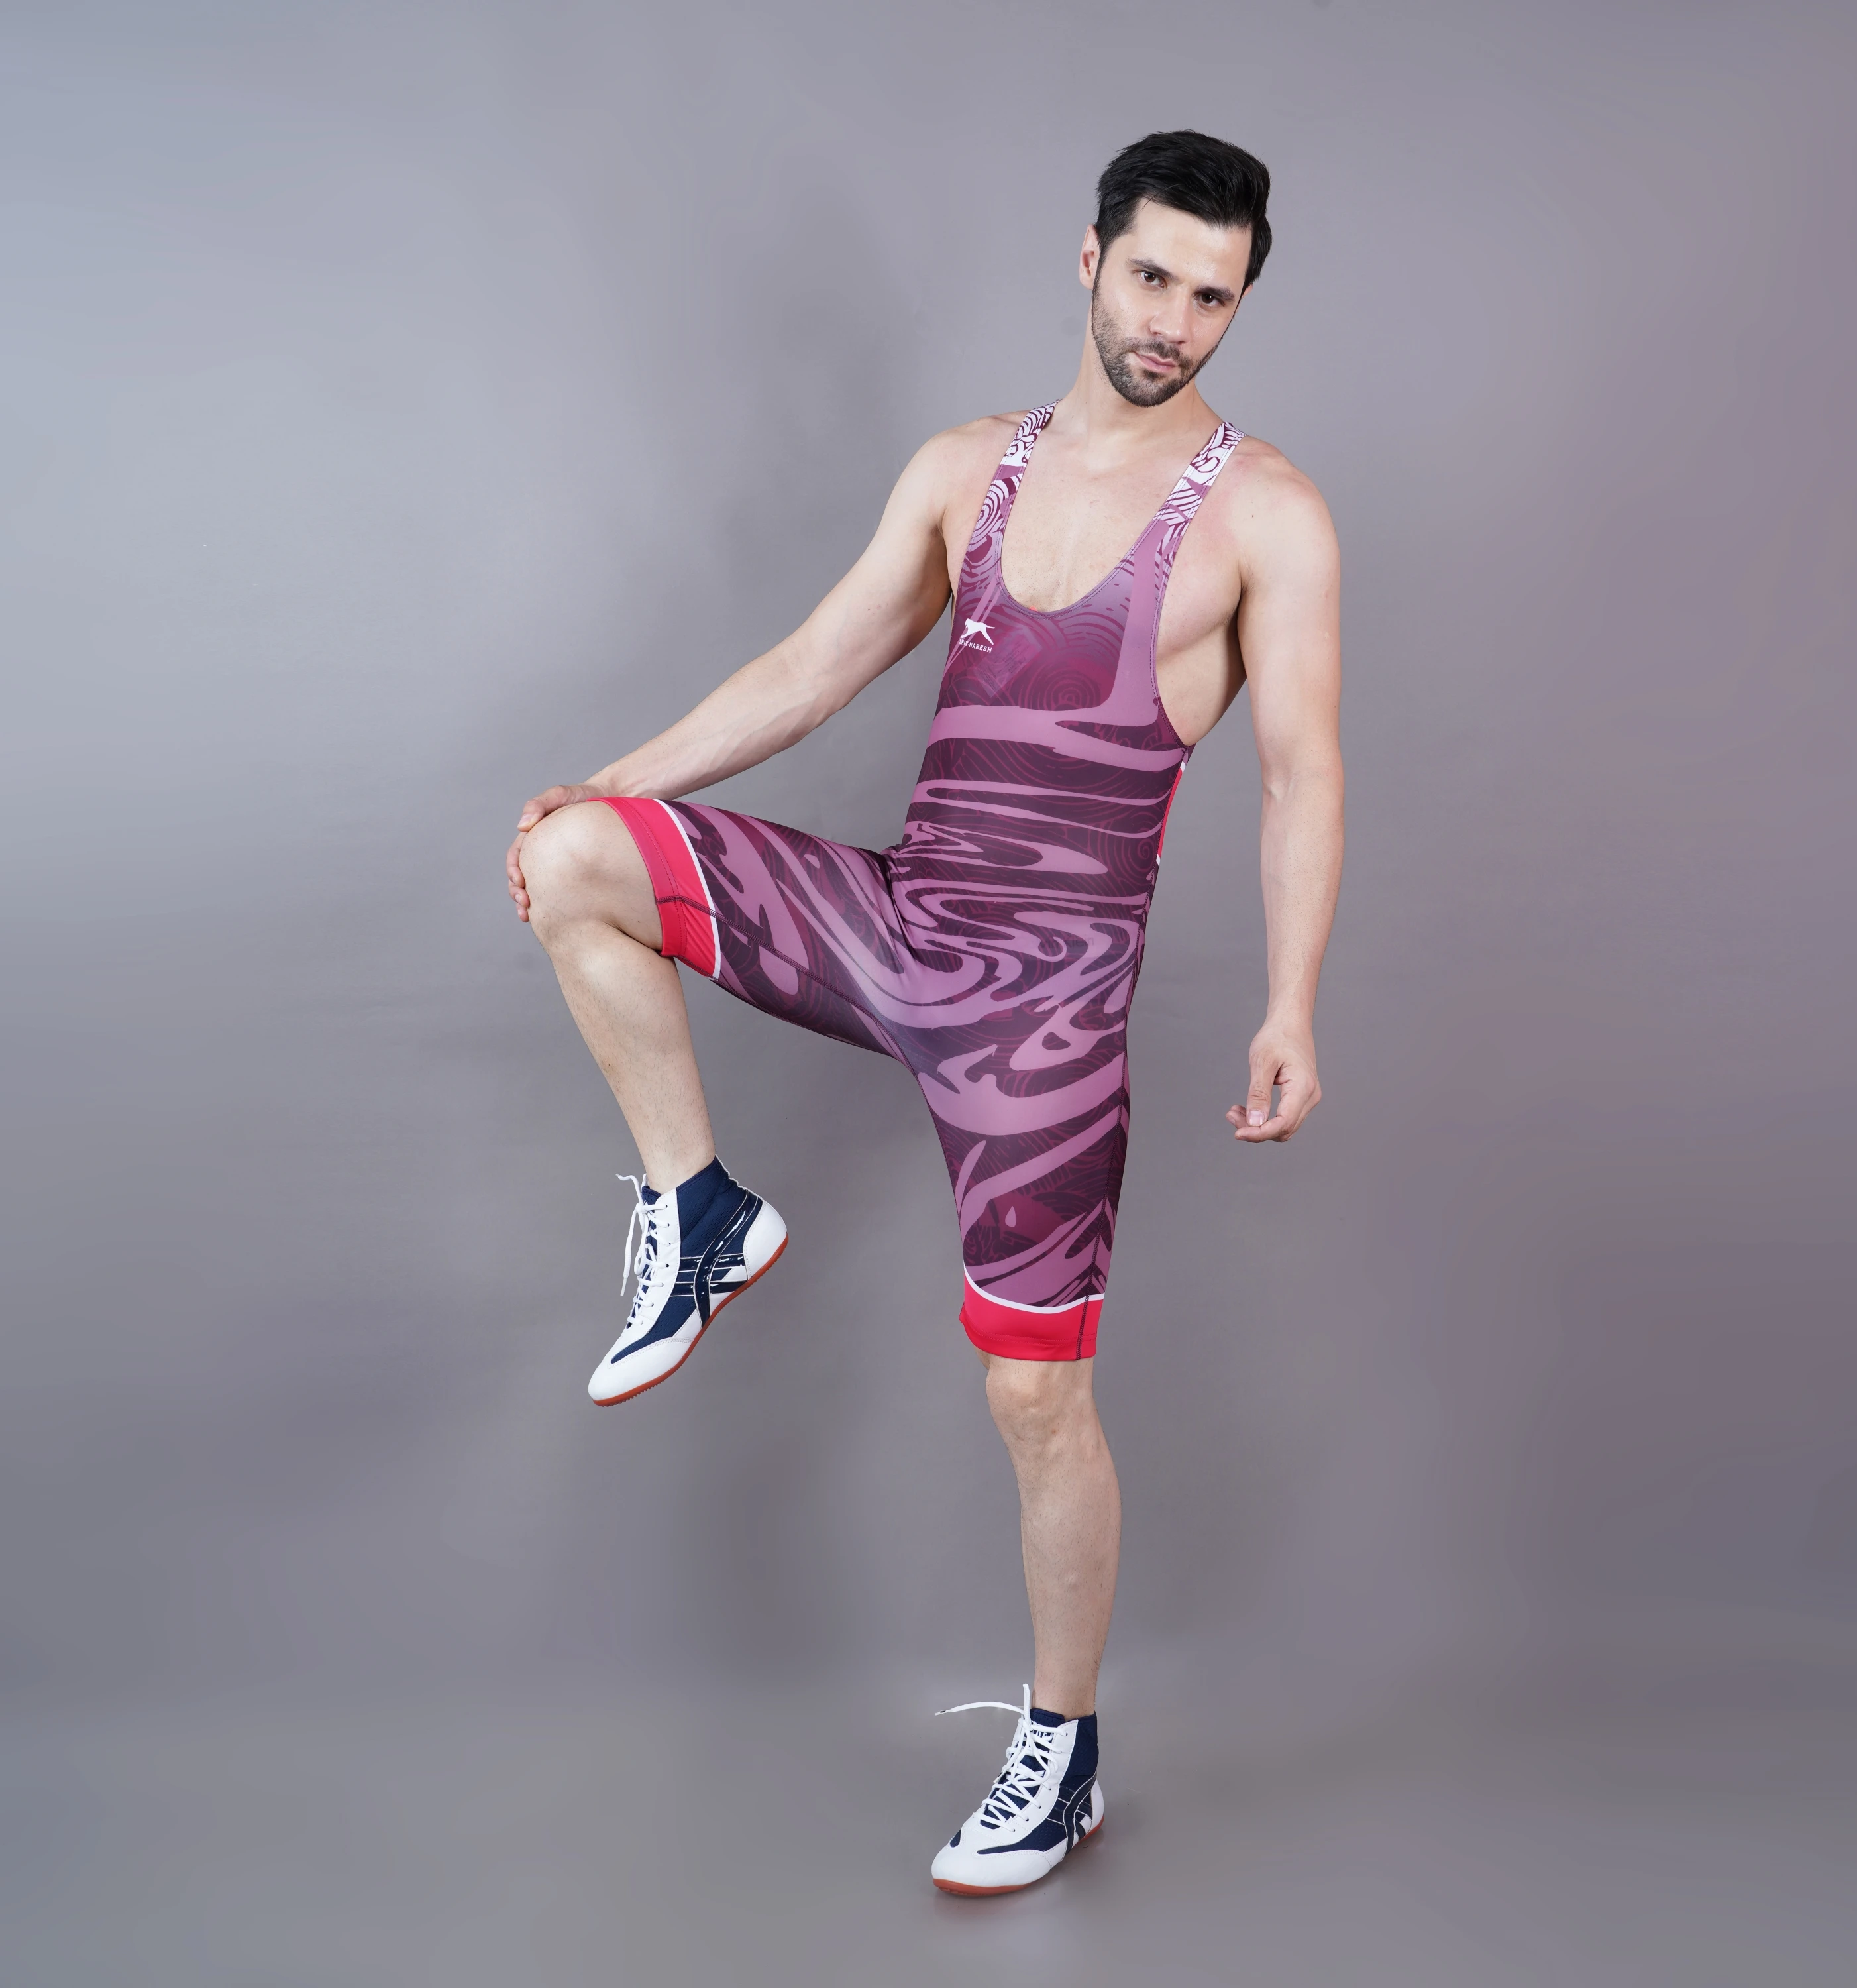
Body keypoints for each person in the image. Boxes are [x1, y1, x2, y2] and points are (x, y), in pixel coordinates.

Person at [505, 129, 1343, 1895]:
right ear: (1090, 259)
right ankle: (698, 1209)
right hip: (897, 924)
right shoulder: (969, 468)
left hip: (1049, 1013)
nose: (1175, 319)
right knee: (578, 860)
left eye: (1213, 296)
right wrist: (606, 783)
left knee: (1036, 1399)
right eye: (1152, 276)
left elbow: (1302, 775)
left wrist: (1291, 1003)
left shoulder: (1267, 515)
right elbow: (815, 668)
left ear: (1238, 305)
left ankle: (1062, 1747)